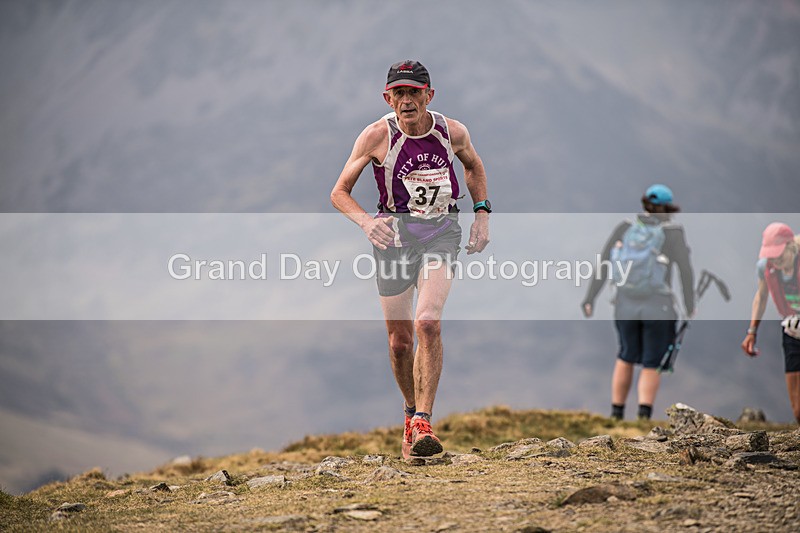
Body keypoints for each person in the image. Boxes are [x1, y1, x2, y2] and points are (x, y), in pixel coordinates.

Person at [330, 60, 491, 458]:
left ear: (428, 96)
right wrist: (367, 224)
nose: (406, 100)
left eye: (414, 92)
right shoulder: (376, 136)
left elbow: (473, 166)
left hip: (441, 233)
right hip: (393, 241)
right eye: (399, 93)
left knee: (428, 323)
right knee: (400, 342)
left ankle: (423, 421)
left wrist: (482, 213)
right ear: (388, 98)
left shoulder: (452, 132)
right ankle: (409, 411)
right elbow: (339, 192)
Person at [581, 184, 694, 420]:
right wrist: (689, 304)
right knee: (652, 361)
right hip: (658, 306)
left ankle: (616, 413)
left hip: (625, 303)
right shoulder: (673, 233)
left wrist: (590, 298)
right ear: (669, 208)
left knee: (625, 355)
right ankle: (643, 415)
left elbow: (604, 262)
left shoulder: (625, 228)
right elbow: (685, 270)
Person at [741, 222, 800, 424]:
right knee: (798, 409)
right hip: (792, 332)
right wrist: (752, 332)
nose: (776, 261)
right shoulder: (765, 268)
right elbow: (761, 296)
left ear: (791, 246)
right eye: (771, 257)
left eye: (780, 256)